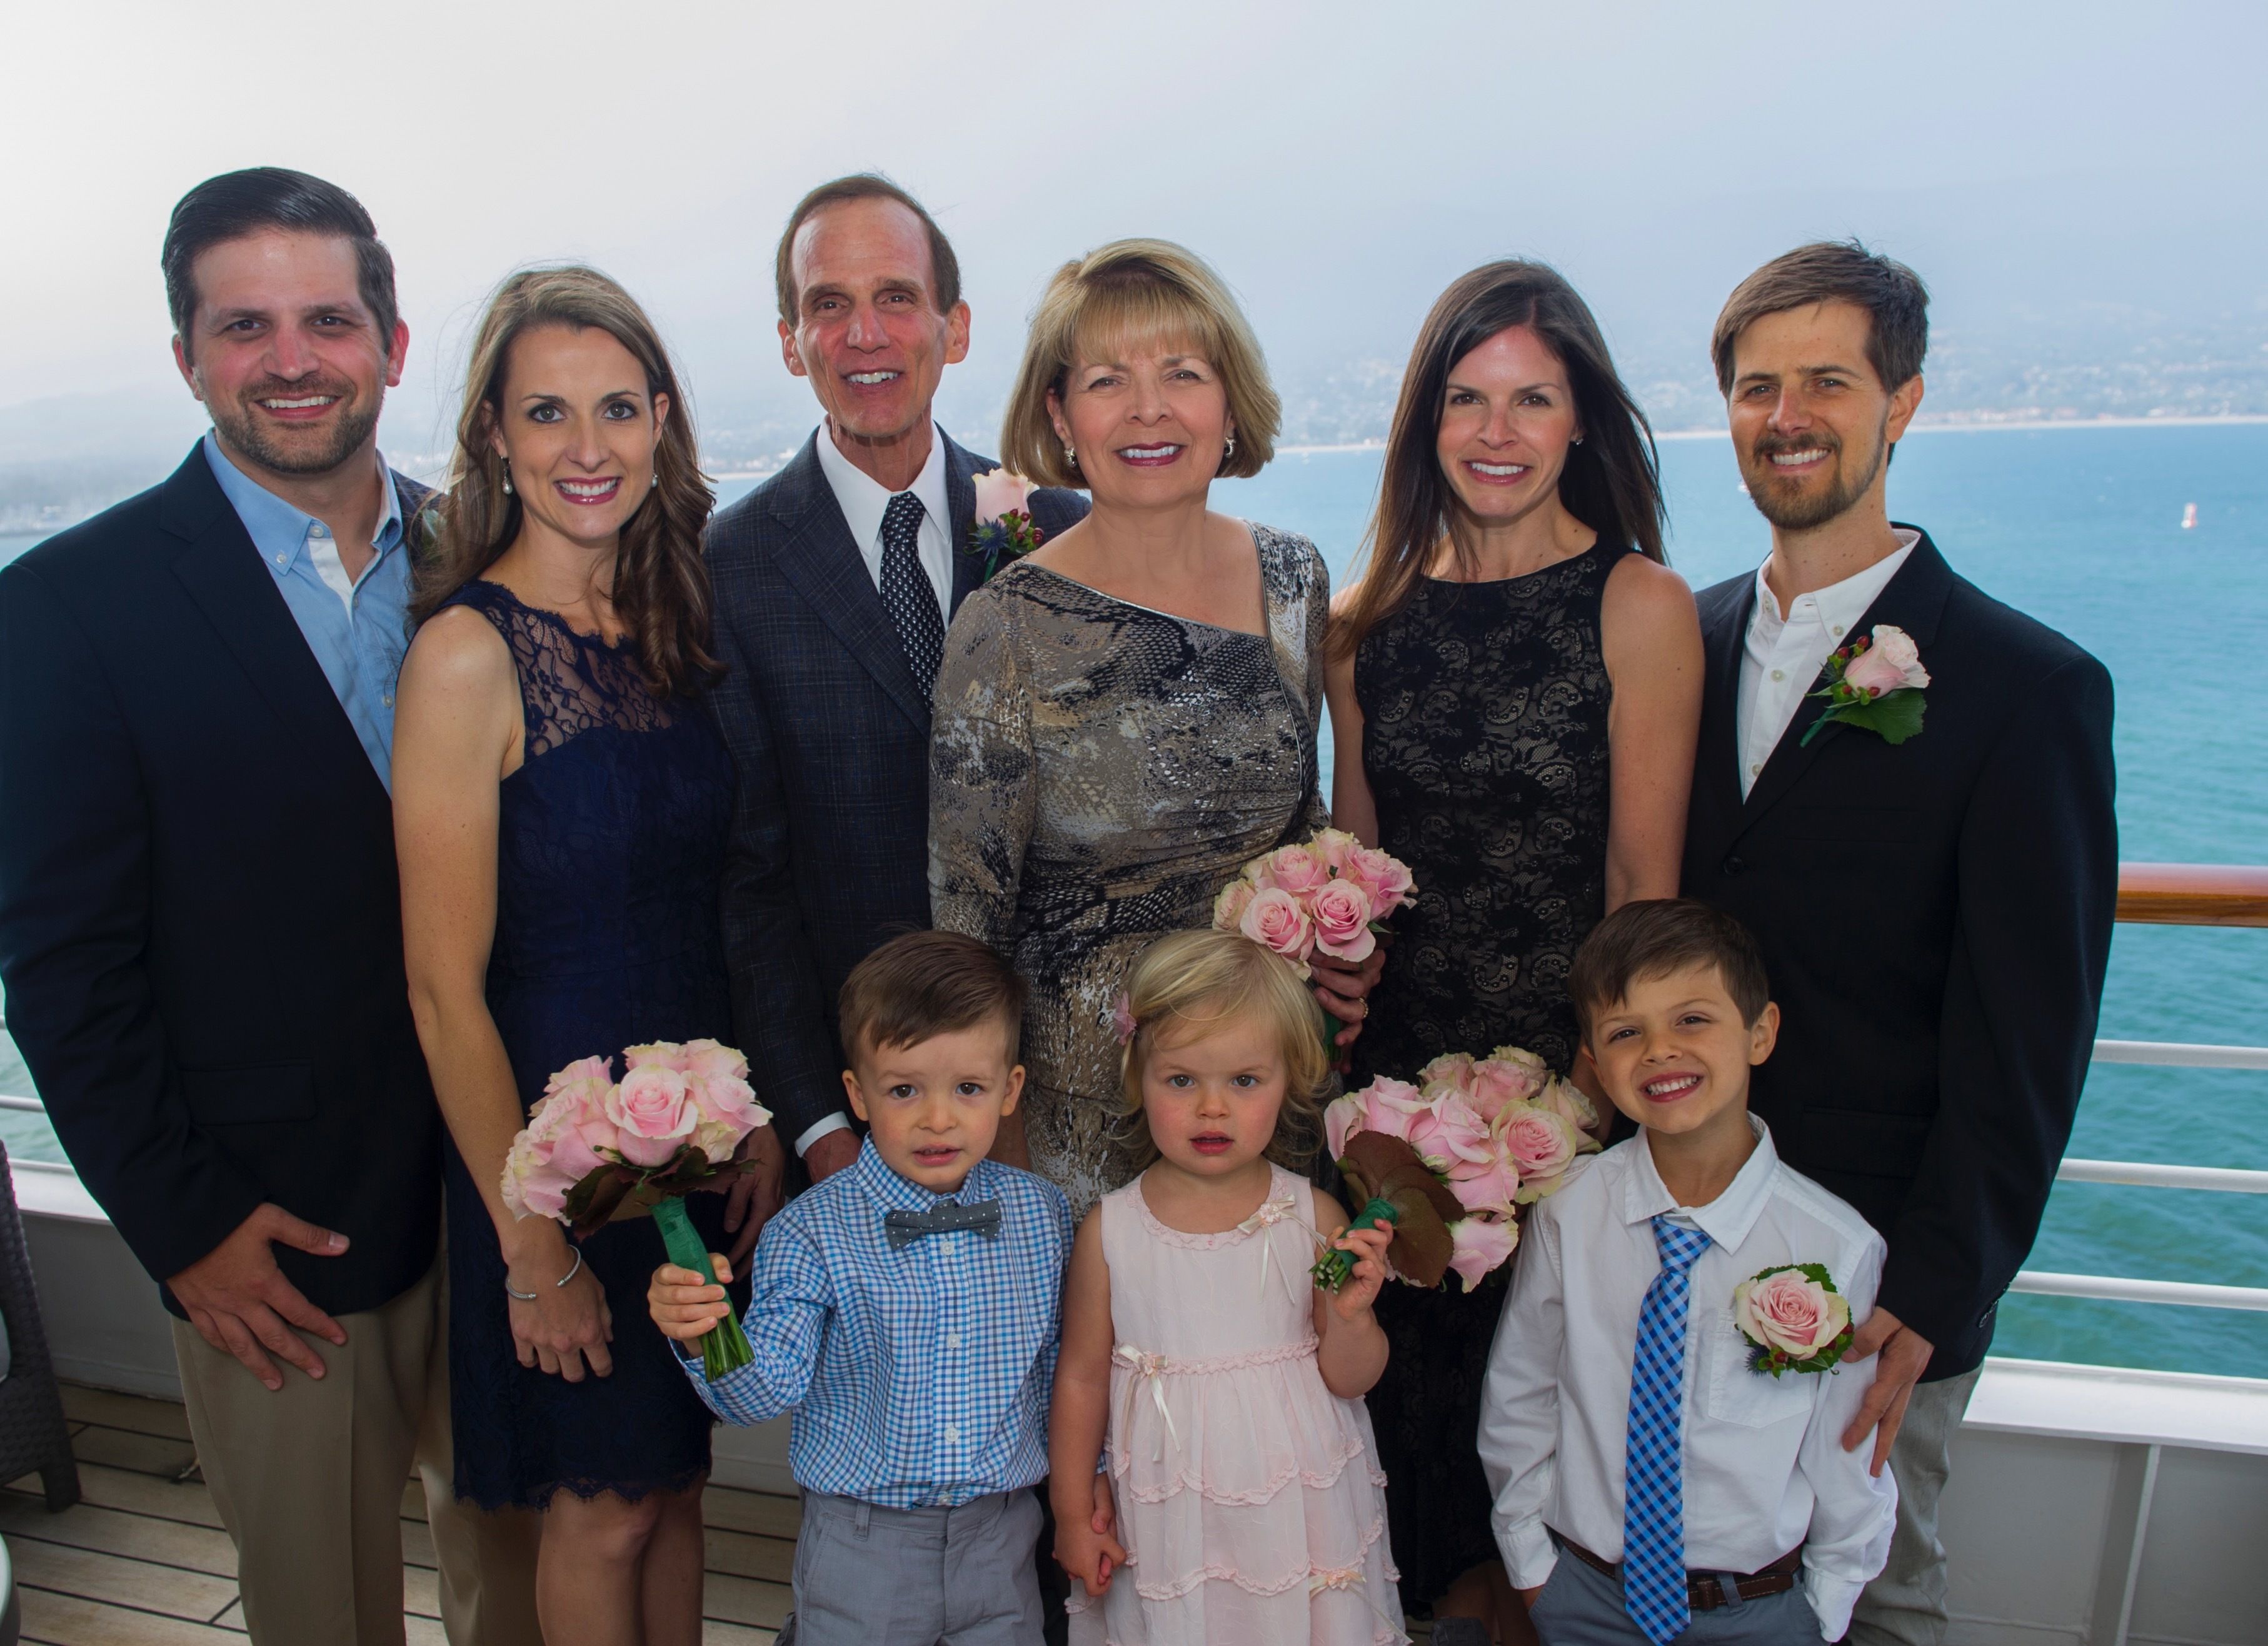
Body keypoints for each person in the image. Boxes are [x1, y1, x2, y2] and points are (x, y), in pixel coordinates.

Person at [0, 168, 539, 1645]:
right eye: (245, 325)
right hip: (273, 1235)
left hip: (506, 1196)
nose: (291, 358)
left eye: (327, 320)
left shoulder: (495, 565)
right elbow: (61, 967)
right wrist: (184, 1227)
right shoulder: (70, 610)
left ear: (393, 345)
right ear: (187, 354)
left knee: (527, 1597)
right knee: (318, 1614)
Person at [1678, 243, 2116, 1646]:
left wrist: (1935, 1288)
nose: (1786, 416)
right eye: (1757, 386)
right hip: (1673, 1237)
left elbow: (2029, 1034)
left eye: (1826, 380)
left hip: (1874, 1271)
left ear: (1901, 402)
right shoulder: (1676, 641)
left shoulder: (2025, 687)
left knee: (1869, 1602)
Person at [1322, 261, 1703, 1642]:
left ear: (1579, 419)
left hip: (1564, 1109)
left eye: (1532, 399)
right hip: (1391, 1109)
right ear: (1424, 420)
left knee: (1538, 1458)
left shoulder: (1637, 603)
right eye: (1467, 399)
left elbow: (1640, 891)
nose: (1496, 432)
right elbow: (1356, 878)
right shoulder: (1362, 623)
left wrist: (1590, 1123)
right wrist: (1333, 970)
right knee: (1401, 1452)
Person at [394, 266, 740, 1644]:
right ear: (493, 433)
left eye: (616, 408)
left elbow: (701, 905)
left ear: (660, 422)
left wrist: (742, 1129)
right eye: (546, 412)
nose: (585, 447)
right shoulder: (465, 656)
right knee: (603, 1508)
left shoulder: (671, 622)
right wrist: (529, 1241)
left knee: (676, 1486)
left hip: (687, 1143)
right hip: (552, 1162)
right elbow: (442, 991)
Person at [931, 238, 1380, 1217]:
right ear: (1061, 415)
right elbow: (967, 932)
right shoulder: (1004, 628)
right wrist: (1003, 1174)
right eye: (1108, 381)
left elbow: (1302, 825)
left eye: (1183, 373)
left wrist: (1343, 940)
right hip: (1081, 1137)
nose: (1149, 410)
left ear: (1229, 403)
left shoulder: (1294, 579)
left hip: (1266, 1108)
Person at [705, 174, 1086, 1220]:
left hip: (1064, 1100)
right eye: (828, 304)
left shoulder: (1056, 527)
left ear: (953, 328)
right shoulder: (729, 567)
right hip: (861, 1124)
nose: (863, 334)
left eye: (896, 298)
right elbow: (751, 883)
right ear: (792, 343)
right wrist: (819, 1129)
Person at [1480, 899, 1897, 1645]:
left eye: (1692, 1019)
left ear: (1760, 1032)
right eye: (1625, 1032)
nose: (1660, 1050)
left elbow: (1847, 1445)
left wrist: (1825, 1603)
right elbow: (1521, 1390)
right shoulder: (1568, 1211)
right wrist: (1532, 1564)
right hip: (1584, 1595)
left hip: (1760, 1608)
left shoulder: (1836, 1244)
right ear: (1594, 1060)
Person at [647, 930, 1073, 1646]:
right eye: (904, 1089)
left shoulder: (1041, 1213)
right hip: (863, 1545)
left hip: (1001, 1538)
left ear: (1010, 1089)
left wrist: (1093, 1484)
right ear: (858, 1093)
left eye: (968, 1088)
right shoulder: (810, 1230)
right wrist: (703, 1333)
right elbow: (762, 1394)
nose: (937, 1118)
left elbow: (1064, 1371)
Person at [1050, 929, 1404, 1645]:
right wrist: (1069, 1513)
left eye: (1244, 1080)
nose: (1212, 1107)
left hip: (1297, 1508)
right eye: (1182, 1080)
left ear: (1288, 1081)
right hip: (1168, 1513)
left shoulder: (1314, 1217)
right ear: (1138, 1077)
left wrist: (1351, 1318)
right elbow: (1081, 1378)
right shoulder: (1111, 1230)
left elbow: (1350, 1378)